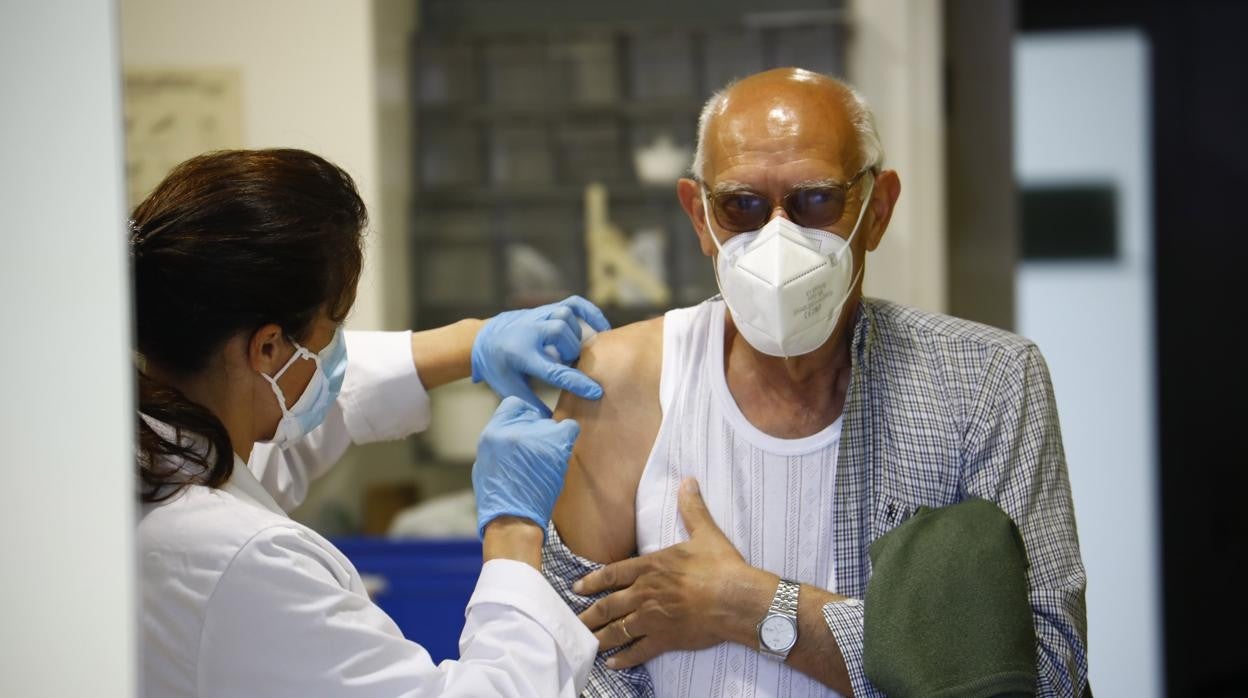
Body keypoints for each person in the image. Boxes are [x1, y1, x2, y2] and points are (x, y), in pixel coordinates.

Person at [544, 68, 1089, 696]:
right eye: (741, 206)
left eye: (816, 201)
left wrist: (748, 604)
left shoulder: (983, 383)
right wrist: (902, 639)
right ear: (699, 217)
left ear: (877, 210)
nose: (778, 238)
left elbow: (1047, 671)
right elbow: (573, 659)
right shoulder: (619, 381)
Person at [133, 148, 609, 696]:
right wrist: (512, 529)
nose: (337, 352)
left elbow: (284, 417)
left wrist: (473, 341)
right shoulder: (241, 560)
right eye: (332, 328)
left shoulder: (152, 455)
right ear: (266, 348)